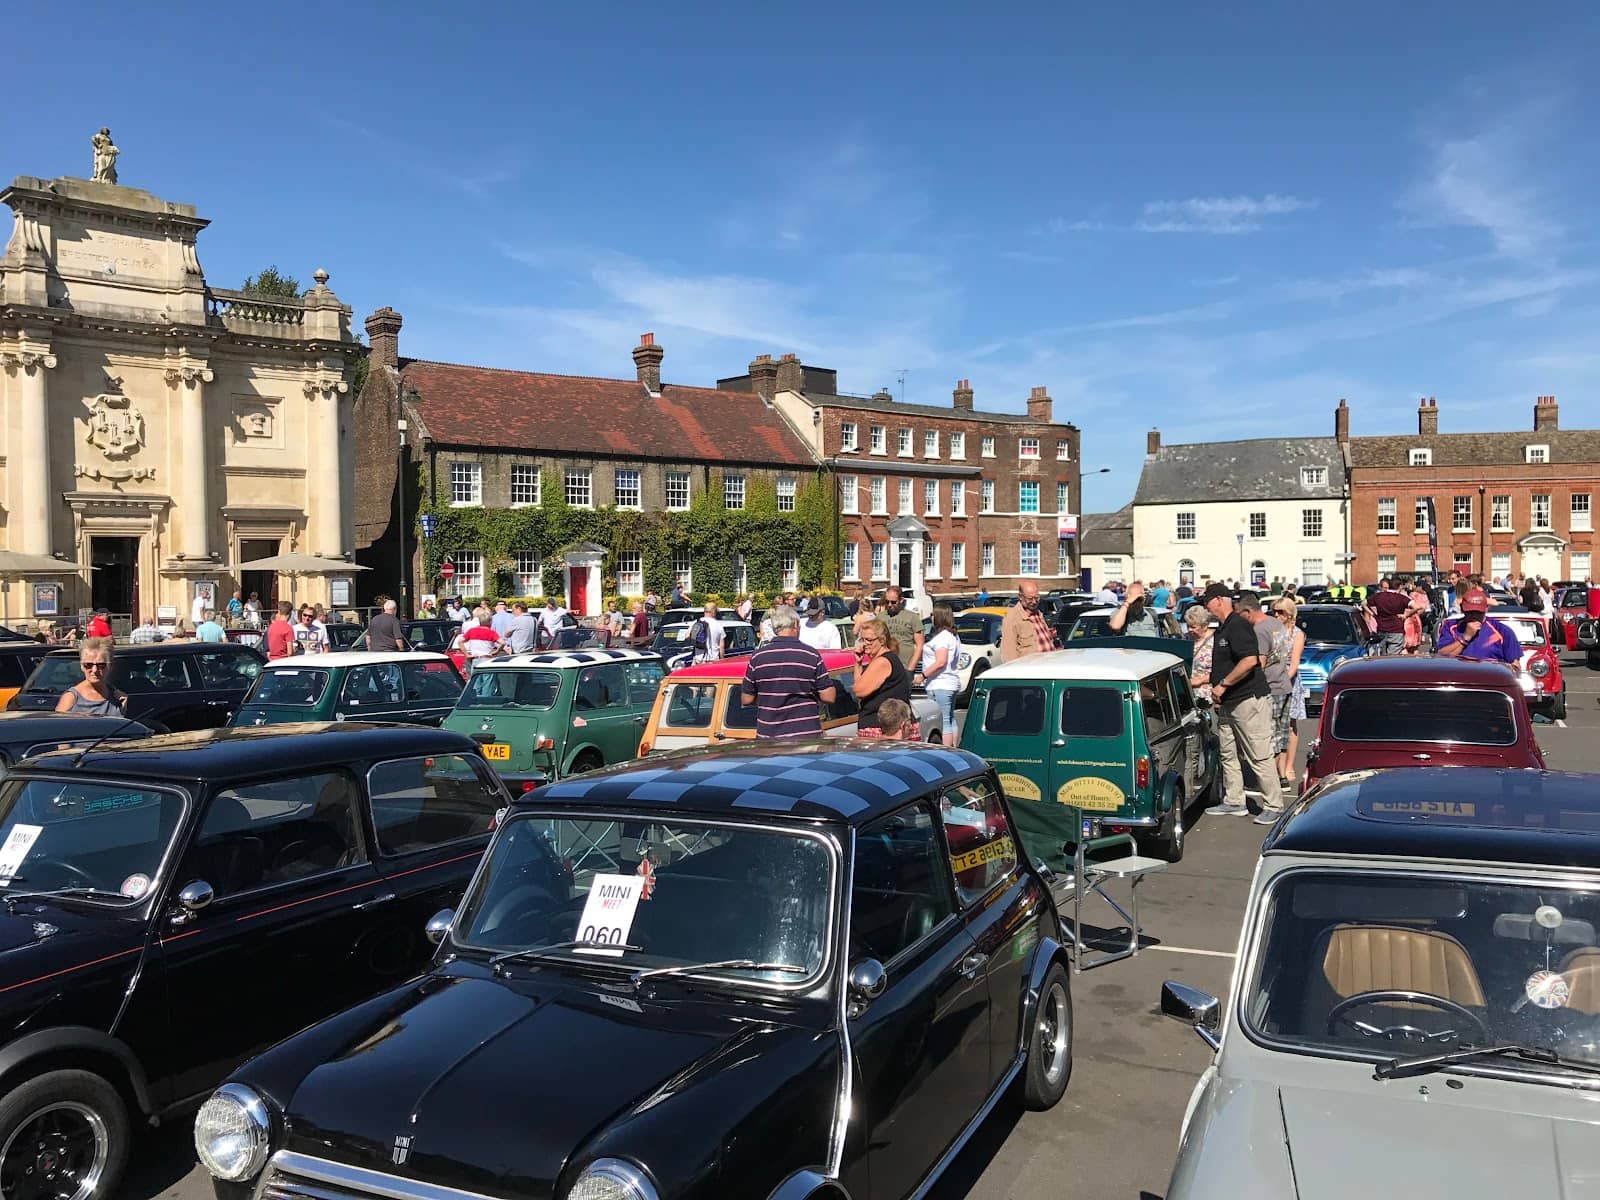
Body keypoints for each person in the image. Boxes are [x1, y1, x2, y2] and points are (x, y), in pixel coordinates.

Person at [1202, 583, 1282, 824]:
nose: (1206, 608)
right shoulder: (1223, 628)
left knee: (1258, 753)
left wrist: (1223, 684)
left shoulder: (1237, 625)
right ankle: (1234, 800)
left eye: (1207, 602)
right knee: (1228, 753)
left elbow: (1249, 660)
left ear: (1218, 600)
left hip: (1248, 699)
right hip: (1228, 703)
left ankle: (1274, 805)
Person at [738, 606, 837, 738]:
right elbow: (829, 696)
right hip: (806, 736)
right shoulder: (811, 655)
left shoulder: (757, 657)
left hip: (769, 736)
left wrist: (769, 698)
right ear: (795, 624)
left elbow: (746, 698)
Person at [1238, 592, 1293, 791]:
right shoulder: (1275, 624)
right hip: (1284, 683)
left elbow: (1259, 664)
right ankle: (1282, 776)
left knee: (1268, 736)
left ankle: (1269, 781)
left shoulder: (1259, 630)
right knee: (1282, 734)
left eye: (1240, 614)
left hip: (1270, 687)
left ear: (1248, 611)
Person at [852, 617, 916, 739]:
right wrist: (858, 663)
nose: (864, 644)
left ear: (881, 640)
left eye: (869, 640)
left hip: (884, 730)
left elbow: (859, 691)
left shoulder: (882, 661)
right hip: (891, 728)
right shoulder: (884, 659)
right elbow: (859, 688)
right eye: (862, 639)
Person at [1436, 587, 1523, 669]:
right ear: (1462, 609)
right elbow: (1441, 658)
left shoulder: (1502, 631)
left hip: (1489, 677)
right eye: (1470, 612)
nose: (1474, 615)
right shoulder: (1451, 627)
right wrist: (1466, 637)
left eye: (1478, 612)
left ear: (1486, 609)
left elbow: (1515, 665)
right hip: (1458, 677)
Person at [1274, 596, 1307, 788]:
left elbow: (1294, 663)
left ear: (1289, 614)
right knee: (1275, 725)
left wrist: (1283, 681)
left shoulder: (1297, 634)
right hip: (1273, 680)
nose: (1276, 615)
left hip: (1289, 682)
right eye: (1274, 611)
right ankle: (1276, 767)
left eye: (1280, 612)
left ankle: (1288, 766)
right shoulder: (1271, 631)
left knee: (1290, 724)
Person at [917, 606, 962, 747]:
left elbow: (940, 662)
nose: (931, 617)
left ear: (939, 617)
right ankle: (954, 747)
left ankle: (947, 750)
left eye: (933, 614)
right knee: (950, 718)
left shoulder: (943, 638)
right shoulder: (953, 636)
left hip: (940, 684)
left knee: (944, 721)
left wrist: (923, 675)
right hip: (950, 682)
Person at [55, 637, 125, 715]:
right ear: (81, 666)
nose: (94, 670)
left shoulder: (118, 698)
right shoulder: (71, 698)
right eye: (88, 665)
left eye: (101, 665)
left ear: (110, 666)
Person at [1363, 577, 1422, 656]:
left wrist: (1372, 614)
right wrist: (1406, 615)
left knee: (1381, 656)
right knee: (1392, 657)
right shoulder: (1402, 598)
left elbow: (1363, 603)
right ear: (1400, 587)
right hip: (1396, 630)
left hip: (1382, 629)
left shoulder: (1379, 596)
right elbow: (1417, 607)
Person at [1000, 581, 1056, 662]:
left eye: (1036, 598)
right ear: (1020, 597)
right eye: (1030, 599)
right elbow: (1008, 654)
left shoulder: (1039, 614)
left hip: (1049, 666)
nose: (1034, 602)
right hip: (1030, 668)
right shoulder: (1012, 618)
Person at [878, 586, 924, 671]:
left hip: (906, 666)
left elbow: (920, 644)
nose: (889, 605)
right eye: (887, 602)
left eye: (893, 602)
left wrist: (911, 667)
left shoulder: (912, 617)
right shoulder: (880, 617)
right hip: (885, 666)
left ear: (901, 600)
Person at [1184, 605, 1214, 701]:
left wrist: (1200, 680)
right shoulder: (1185, 638)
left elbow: (1223, 670)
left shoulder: (1216, 641)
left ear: (1204, 626)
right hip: (1186, 693)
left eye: (1193, 627)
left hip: (1207, 695)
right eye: (1188, 626)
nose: (1189, 629)